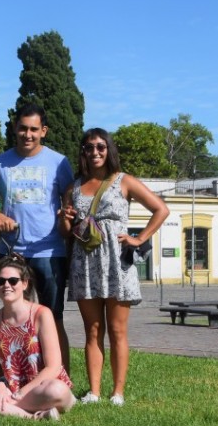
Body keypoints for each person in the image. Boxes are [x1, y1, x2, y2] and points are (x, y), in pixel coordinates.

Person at [59, 128, 169, 406]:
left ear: (108, 149)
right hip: (85, 262)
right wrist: (65, 217)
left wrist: (139, 238)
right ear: (82, 151)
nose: (94, 152)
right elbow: (66, 232)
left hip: (117, 261)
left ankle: (117, 392)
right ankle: (94, 392)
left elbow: (161, 209)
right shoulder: (73, 187)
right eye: (88, 147)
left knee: (118, 330)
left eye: (100, 147)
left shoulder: (124, 181)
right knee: (92, 330)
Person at [0, 104, 74, 372]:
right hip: (11, 252)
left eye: (34, 129)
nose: (28, 134)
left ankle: (61, 379)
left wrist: (66, 218)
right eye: (23, 128)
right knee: (12, 319)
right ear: (15, 129)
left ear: (44, 131)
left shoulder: (59, 162)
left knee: (54, 318)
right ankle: (13, 376)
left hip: (49, 251)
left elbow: (69, 202)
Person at [0, 255, 75, 420]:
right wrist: (0, 385)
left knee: (57, 390)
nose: (6, 285)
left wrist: (22, 392)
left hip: (42, 387)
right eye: (1, 281)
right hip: (9, 388)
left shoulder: (41, 314)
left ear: (24, 284)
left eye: (12, 280)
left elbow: (53, 367)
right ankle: (30, 416)